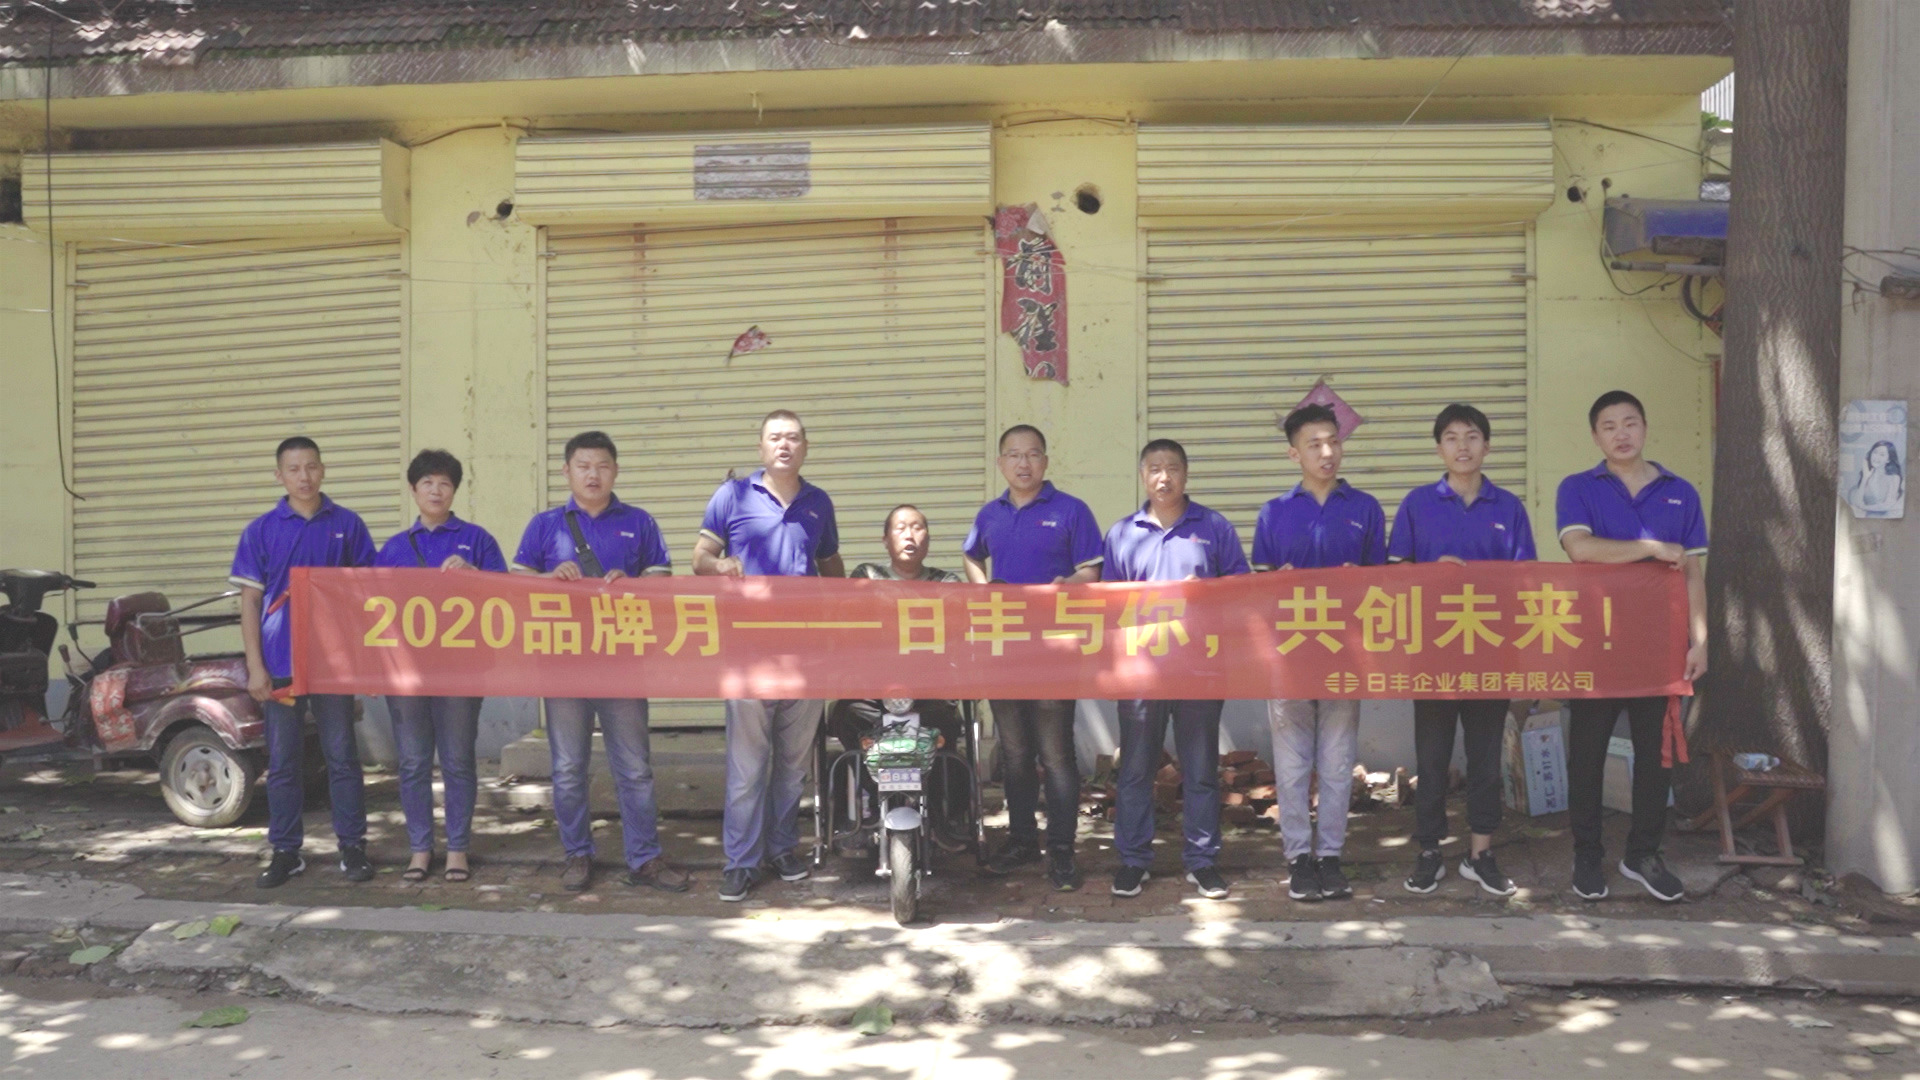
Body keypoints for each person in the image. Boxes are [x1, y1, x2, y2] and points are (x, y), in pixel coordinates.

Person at [511, 431, 687, 895]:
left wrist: (633, 583)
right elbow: (516, 585)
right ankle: (577, 854)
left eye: (603, 465)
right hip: (563, 663)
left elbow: (662, 579)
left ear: (615, 471)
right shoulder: (544, 526)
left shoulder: (639, 522)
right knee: (568, 767)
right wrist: (550, 578)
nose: (593, 474)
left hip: (622, 663)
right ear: (566, 472)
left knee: (634, 768)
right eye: (584, 466)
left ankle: (644, 858)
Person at [1557, 390, 1709, 903]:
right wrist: (1650, 548)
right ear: (1595, 436)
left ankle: (1643, 853)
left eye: (1630, 423)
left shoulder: (1680, 492)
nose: (1621, 434)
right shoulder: (1578, 488)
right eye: (1609, 426)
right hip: (1593, 647)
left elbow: (1693, 574)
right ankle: (1586, 853)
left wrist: (1700, 640)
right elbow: (1580, 549)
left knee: (1655, 757)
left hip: (1659, 649)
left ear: (1644, 428)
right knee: (1586, 755)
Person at [694, 410, 844, 903]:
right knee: (747, 766)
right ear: (760, 447)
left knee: (793, 765)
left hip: (806, 655)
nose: (784, 445)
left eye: (793, 438)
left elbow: (831, 568)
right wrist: (721, 565)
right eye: (775, 437)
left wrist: (853, 610)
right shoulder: (732, 496)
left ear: (806, 447)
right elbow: (699, 559)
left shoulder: (819, 502)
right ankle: (740, 862)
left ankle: (782, 849)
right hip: (748, 653)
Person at [1388, 403, 1536, 898]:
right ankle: (1429, 851)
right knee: (1431, 758)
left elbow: (1526, 580)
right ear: (1439, 449)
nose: (1463, 446)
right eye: (1451, 437)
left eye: (1472, 436)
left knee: (1485, 759)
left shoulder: (1509, 508)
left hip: (1490, 653)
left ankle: (1480, 853)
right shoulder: (1417, 504)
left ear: (1487, 446)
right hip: (1433, 653)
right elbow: (1395, 576)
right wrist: (1432, 574)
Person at [1104, 438, 1250, 901]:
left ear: (1186, 474)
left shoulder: (1214, 527)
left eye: (1172, 468)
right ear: (1143, 476)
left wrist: (1206, 591)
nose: (1163, 477)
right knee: (1136, 769)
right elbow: (1108, 605)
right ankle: (1133, 860)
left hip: (1199, 669)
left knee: (1201, 768)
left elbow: (1242, 588)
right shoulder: (1122, 534)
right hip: (1141, 671)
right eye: (1154, 468)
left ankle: (1202, 862)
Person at [1251, 404, 1386, 904]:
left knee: (1336, 760)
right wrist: (1279, 582)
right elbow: (1258, 592)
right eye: (1314, 444)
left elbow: (1384, 586)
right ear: (1295, 454)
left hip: (1345, 656)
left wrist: (1359, 580)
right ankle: (1298, 859)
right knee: (1291, 766)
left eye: (1334, 441)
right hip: (1288, 656)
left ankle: (1330, 856)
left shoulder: (1365, 508)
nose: (1327, 452)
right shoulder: (1274, 513)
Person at [231, 436, 377, 889]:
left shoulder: (348, 524)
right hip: (280, 664)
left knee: (342, 757)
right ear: (280, 475)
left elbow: (369, 595)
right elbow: (250, 601)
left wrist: (364, 663)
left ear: (323, 469)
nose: (304, 477)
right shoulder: (261, 530)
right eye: (294, 469)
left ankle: (352, 847)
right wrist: (255, 666)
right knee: (284, 761)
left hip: (333, 664)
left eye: (311, 467)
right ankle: (285, 852)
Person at [962, 424, 1103, 891]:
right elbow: (971, 555)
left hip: (1055, 651)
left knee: (1056, 753)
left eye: (1033, 454)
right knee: (1016, 752)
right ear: (1001, 463)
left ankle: (1062, 849)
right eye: (1014, 455)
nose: (1023, 463)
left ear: (1045, 460)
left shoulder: (1071, 510)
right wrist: (982, 590)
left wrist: (1068, 585)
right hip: (1003, 649)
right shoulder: (990, 514)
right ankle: (1021, 840)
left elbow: (1092, 570)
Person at [374, 449, 507, 884]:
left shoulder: (477, 540)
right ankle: (419, 849)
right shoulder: (394, 548)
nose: (436, 490)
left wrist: (473, 574)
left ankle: (457, 849)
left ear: (455, 490)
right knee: (413, 762)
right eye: (427, 483)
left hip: (461, 671)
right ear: (413, 490)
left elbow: (506, 595)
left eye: (445, 483)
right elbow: (373, 610)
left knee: (457, 760)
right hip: (406, 673)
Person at [825, 505, 967, 845]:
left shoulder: (947, 582)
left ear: (927, 538)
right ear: (886, 540)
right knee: (846, 715)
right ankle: (862, 811)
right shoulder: (866, 575)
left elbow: (957, 623)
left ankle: (944, 818)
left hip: (929, 695)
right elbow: (848, 618)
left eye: (917, 527)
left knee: (948, 725)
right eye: (900, 528)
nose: (909, 534)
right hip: (872, 696)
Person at [1849, 440, 1905, 515]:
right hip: (1866, 517)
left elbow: (1888, 505)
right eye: (1875, 452)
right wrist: (1865, 477)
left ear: (1888, 459)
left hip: (1886, 517)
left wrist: (1865, 508)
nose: (1876, 457)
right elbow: (1857, 502)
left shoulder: (1894, 477)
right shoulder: (1866, 474)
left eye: (1882, 455)